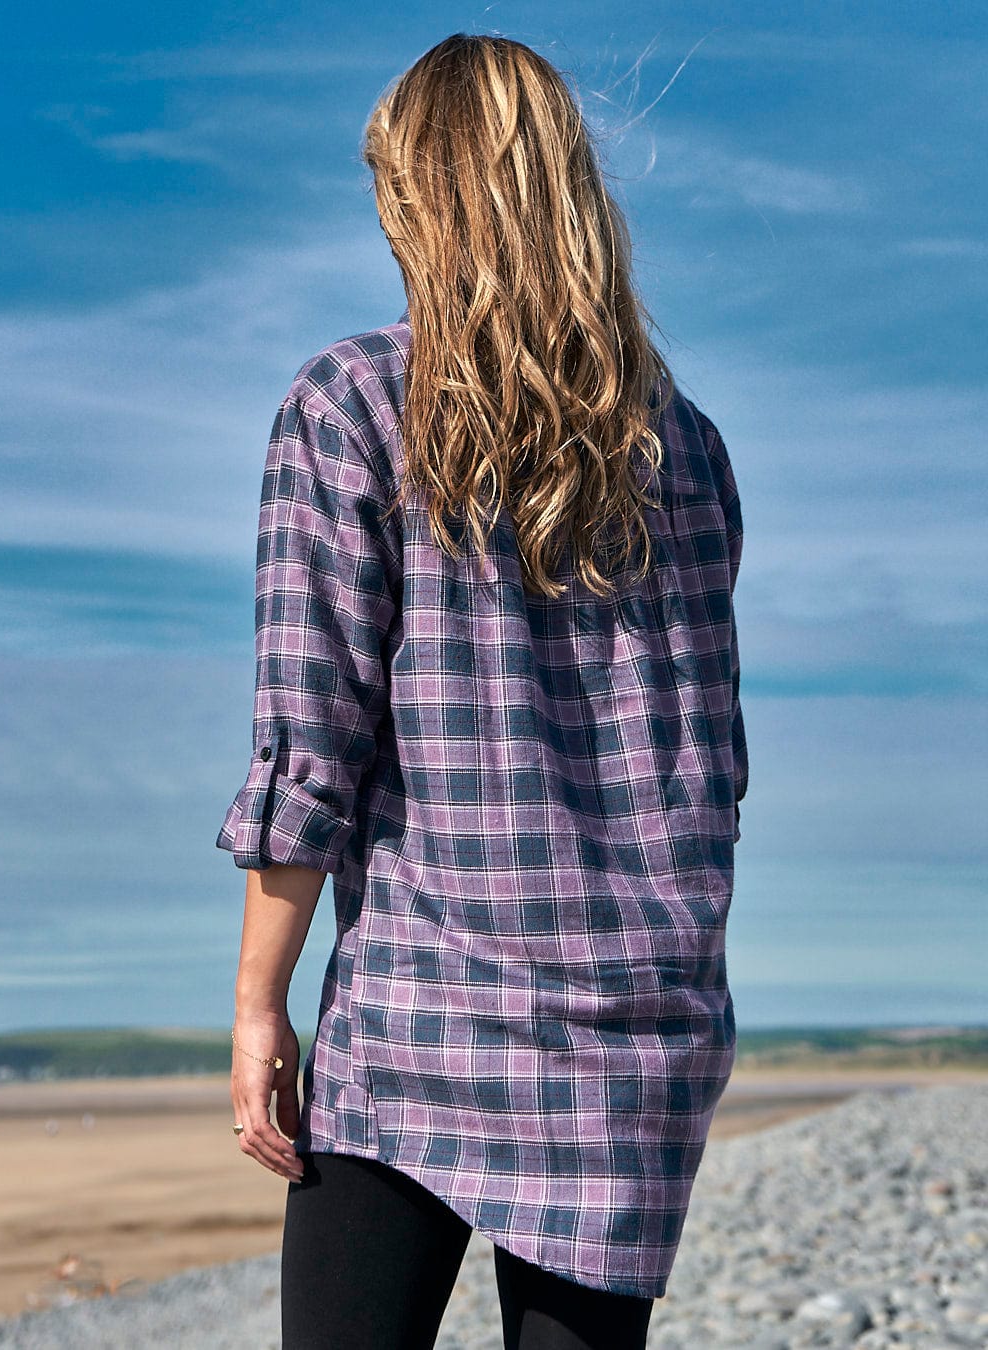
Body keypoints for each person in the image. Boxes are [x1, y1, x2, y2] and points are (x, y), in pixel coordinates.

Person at [218, 31, 748, 1350]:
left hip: (423, 1009)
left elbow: (310, 746)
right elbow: (713, 762)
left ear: (416, 198)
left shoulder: (348, 404)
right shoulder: (685, 445)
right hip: (639, 1018)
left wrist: (255, 1008)